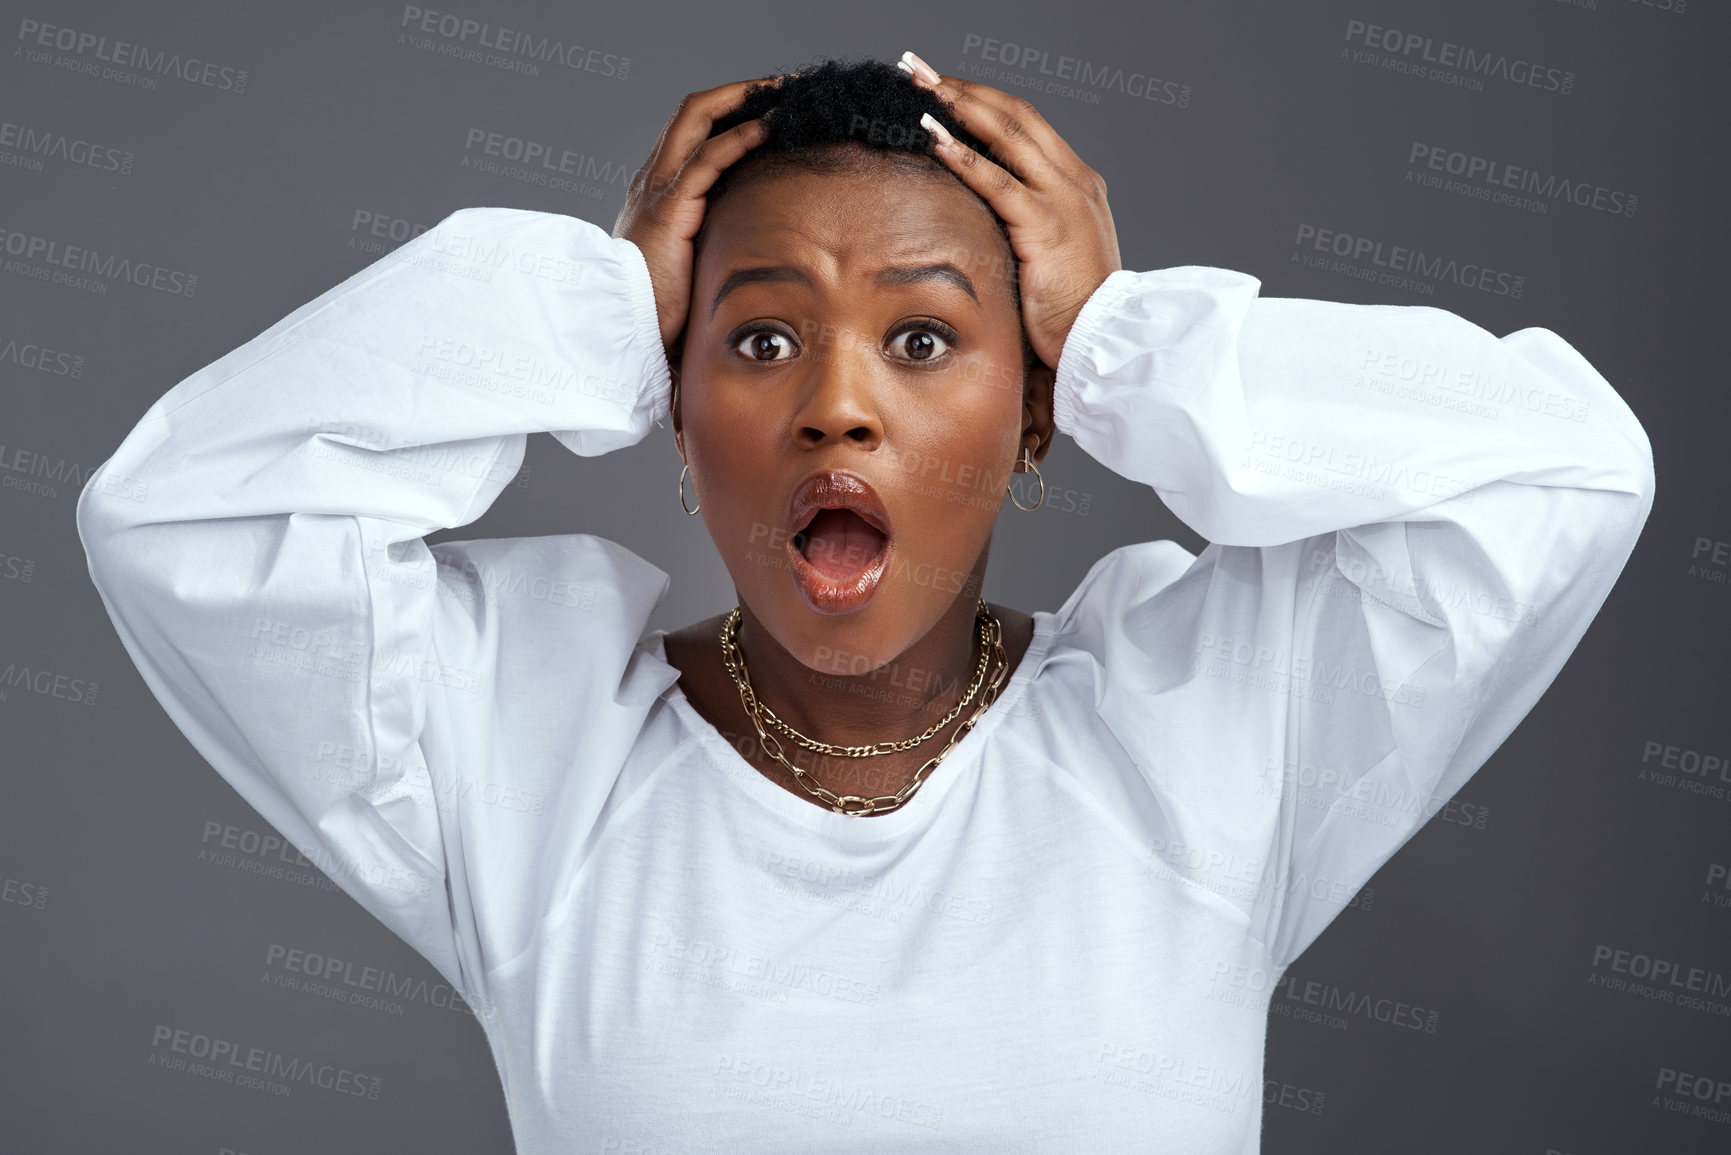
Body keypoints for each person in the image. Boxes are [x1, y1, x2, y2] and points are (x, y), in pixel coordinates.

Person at [77, 51, 1653, 1154]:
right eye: (759, 341)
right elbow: (175, 512)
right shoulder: (526, 762)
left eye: (922, 340)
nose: (838, 406)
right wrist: (594, 310)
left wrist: (1124, 336)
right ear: (671, 407)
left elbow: (1567, 471)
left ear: (1034, 417)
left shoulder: (1212, 733)